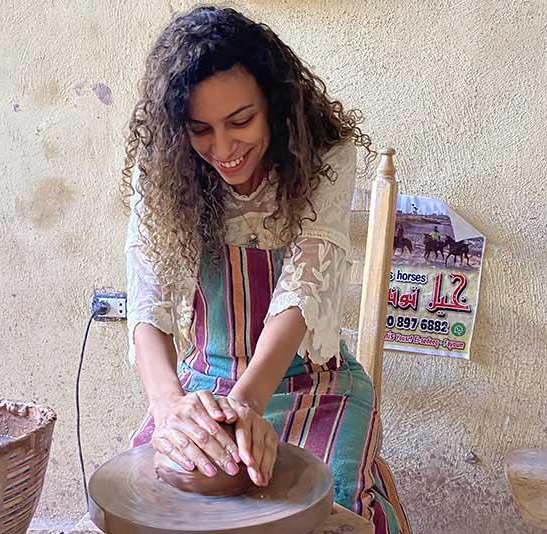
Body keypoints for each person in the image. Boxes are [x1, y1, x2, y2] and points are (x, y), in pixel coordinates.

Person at [122, 6, 409, 531]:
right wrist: (170, 410)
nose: (224, 149)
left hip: (314, 383)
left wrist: (247, 405)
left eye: (240, 121)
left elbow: (301, 291)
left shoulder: (324, 158)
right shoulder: (164, 171)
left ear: (275, 105)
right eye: (200, 129)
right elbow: (149, 299)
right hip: (202, 385)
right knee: (149, 505)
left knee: (328, 511)